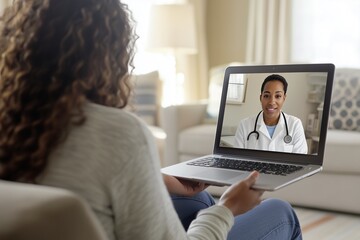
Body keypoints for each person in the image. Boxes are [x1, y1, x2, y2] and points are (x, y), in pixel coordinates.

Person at [0, 1, 302, 239]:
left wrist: (157, 180)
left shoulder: (13, 121)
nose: (271, 101)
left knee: (197, 203)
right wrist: (228, 208)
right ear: (108, 55)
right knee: (279, 210)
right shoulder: (118, 132)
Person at [234, 74, 308, 154]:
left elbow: (299, 161)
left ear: (284, 98)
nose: (272, 102)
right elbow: (237, 158)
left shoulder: (295, 124)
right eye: (266, 96)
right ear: (261, 98)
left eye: (278, 96)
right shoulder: (244, 125)